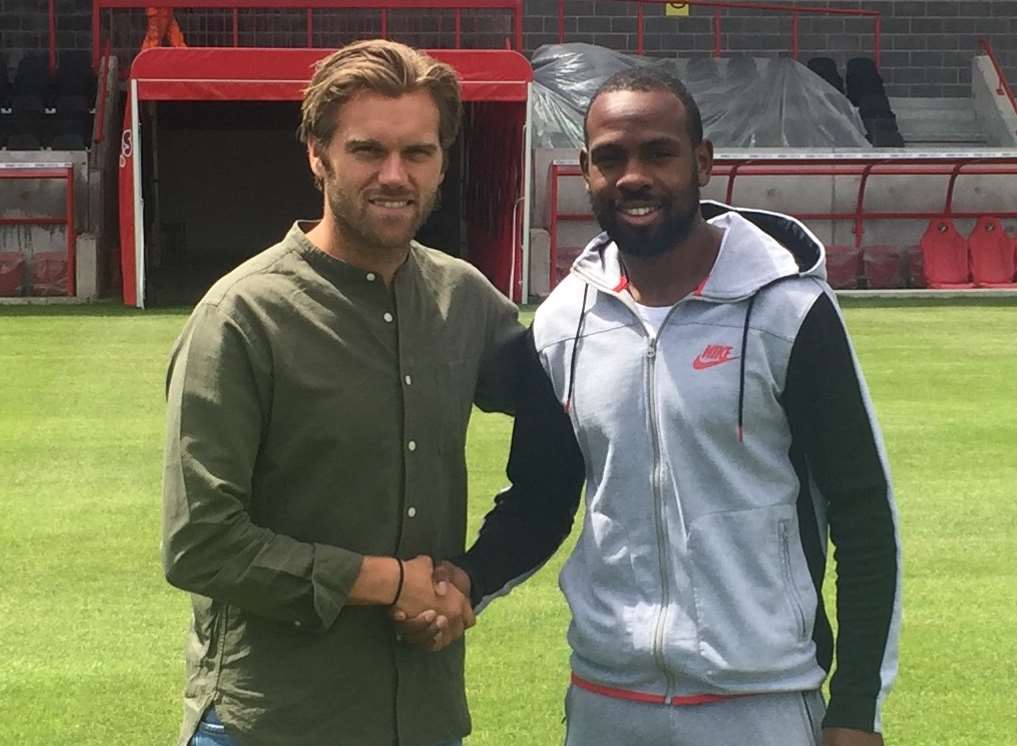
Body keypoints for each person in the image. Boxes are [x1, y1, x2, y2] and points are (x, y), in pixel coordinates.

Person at [446, 67, 902, 746]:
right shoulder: (563, 319)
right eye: (610, 158)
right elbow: (540, 500)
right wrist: (463, 582)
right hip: (606, 698)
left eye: (658, 152)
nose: (633, 176)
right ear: (584, 171)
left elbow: (863, 514)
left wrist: (856, 706)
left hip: (761, 699)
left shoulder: (787, 310)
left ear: (702, 161)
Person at [161, 39, 524, 746]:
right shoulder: (243, 316)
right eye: (367, 151)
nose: (395, 175)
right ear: (317, 154)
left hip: (421, 717)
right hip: (272, 719)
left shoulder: (465, 300)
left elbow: (568, 432)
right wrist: (388, 581)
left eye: (418, 153)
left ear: (443, 161)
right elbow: (200, 544)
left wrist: (472, 580)